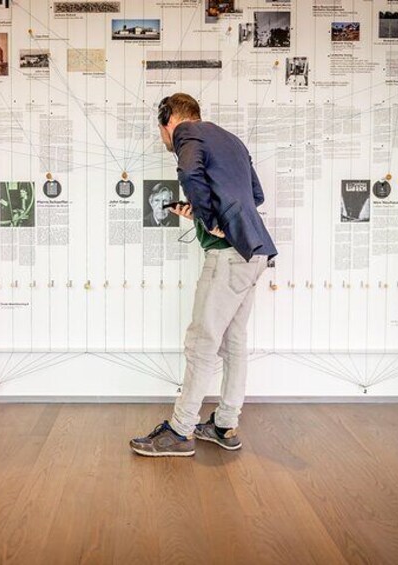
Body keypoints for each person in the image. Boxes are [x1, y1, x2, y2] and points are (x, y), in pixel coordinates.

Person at [130, 93, 277, 456]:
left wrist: (211, 220)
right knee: (234, 342)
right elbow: (255, 196)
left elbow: (190, 171)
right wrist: (203, 212)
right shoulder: (230, 140)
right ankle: (225, 424)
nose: (165, 139)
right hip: (253, 252)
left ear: (169, 120)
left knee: (201, 342)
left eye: (162, 130)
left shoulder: (187, 134)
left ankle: (180, 432)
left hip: (228, 257)